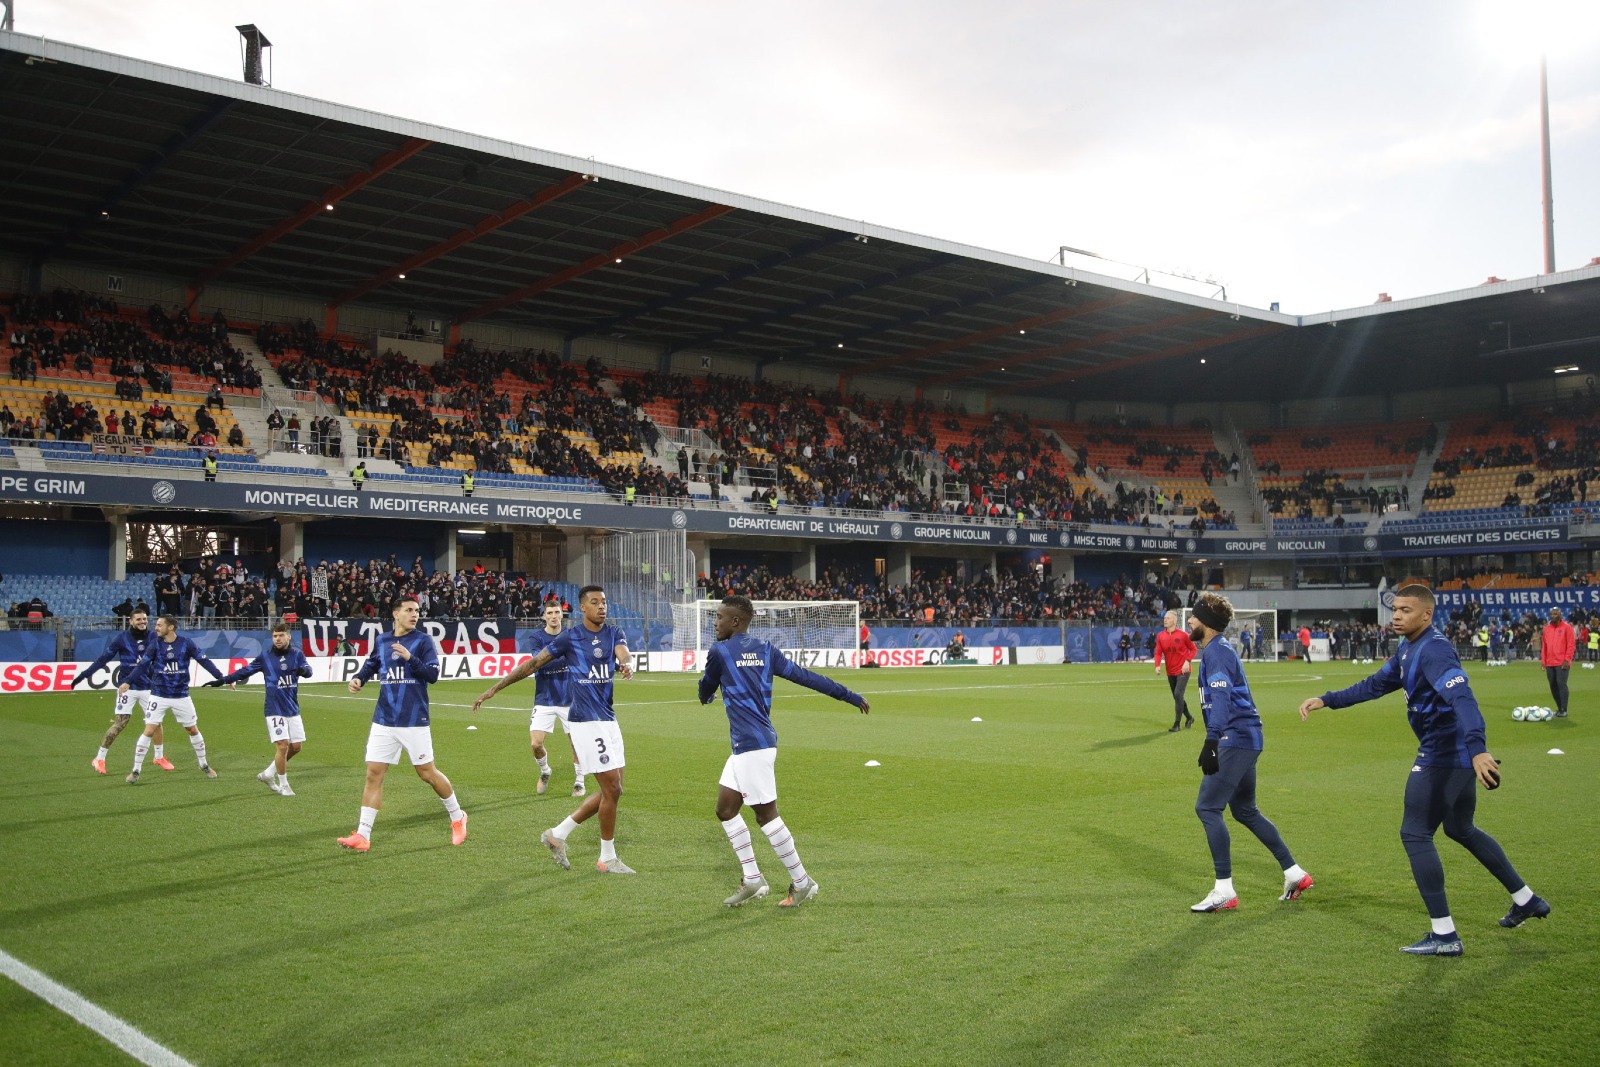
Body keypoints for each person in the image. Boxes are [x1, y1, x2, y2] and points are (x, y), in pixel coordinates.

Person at [1298, 584, 1549, 956]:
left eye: (1405, 610)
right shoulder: (1409, 647)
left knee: (1415, 834)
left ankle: (1445, 935)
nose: (1397, 615)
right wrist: (1327, 700)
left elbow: (1462, 697)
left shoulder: (1433, 650)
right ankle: (1526, 899)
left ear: (1427, 615)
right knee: (1461, 829)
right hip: (1455, 753)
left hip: (1443, 753)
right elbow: (1375, 685)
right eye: (1395, 609)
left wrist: (1478, 749)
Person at [700, 595, 870, 908]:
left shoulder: (719, 652)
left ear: (736, 621)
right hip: (752, 745)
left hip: (752, 748)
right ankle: (753, 879)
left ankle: (803, 882)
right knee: (725, 809)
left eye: (720, 617)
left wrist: (707, 695)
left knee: (766, 817)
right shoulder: (766, 651)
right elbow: (807, 677)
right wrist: (848, 695)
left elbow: (705, 688)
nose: (716, 622)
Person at [481, 585, 634, 874]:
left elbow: (623, 653)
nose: (602, 606)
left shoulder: (614, 632)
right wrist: (494, 688)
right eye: (594, 602)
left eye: (604, 601)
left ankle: (557, 834)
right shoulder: (571, 637)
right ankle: (607, 857)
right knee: (611, 788)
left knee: (614, 790)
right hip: (585, 720)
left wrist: (627, 664)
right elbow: (531, 665)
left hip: (608, 718)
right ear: (582, 609)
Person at [1188, 593, 1313, 913]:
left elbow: (1222, 697)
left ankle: (1224, 890)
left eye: (1194, 616)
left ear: (1207, 622)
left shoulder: (1216, 652)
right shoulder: (1217, 650)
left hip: (1235, 738)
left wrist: (1213, 740)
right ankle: (1294, 874)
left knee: (1207, 808)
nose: (1190, 620)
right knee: (1245, 811)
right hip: (1245, 737)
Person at [337, 597, 468, 851]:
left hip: (413, 719)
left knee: (426, 773)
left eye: (417, 611)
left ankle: (457, 816)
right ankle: (363, 835)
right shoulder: (383, 640)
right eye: (409, 610)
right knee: (374, 773)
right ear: (395, 614)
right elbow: (373, 663)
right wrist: (358, 679)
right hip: (384, 718)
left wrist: (410, 658)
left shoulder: (422, 641)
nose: (414, 614)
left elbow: (432, 675)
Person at [471, 602, 586, 797]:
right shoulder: (536, 637)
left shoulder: (572, 635)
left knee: (576, 742)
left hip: (570, 699)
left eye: (557, 612)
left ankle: (579, 781)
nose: (554, 616)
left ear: (562, 614)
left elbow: (550, 660)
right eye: (550, 613)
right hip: (544, 699)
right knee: (536, 744)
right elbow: (538, 664)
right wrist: (564, 657)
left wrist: (550, 658)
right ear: (544, 616)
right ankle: (545, 771)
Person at [206, 621, 313, 796]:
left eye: (281, 635)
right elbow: (245, 671)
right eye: (274, 636)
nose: (277, 639)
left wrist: (303, 671)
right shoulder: (265, 656)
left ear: (288, 636)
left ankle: (268, 774)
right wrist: (223, 680)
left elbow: (309, 671)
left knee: (296, 747)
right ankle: (284, 785)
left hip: (292, 707)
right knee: (283, 745)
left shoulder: (297, 655)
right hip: (274, 708)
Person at [119, 615, 226, 784]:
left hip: (181, 695)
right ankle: (136, 770)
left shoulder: (186, 643)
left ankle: (204, 764)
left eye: (160, 625)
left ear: (170, 627)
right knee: (149, 730)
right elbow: (142, 665)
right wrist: (127, 682)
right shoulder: (155, 644)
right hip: (158, 694)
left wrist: (222, 677)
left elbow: (204, 661)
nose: (156, 627)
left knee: (192, 729)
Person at [73, 609, 167, 775]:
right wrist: (84, 675)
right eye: (138, 619)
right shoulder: (122, 638)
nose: (142, 622)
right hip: (127, 687)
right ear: (131, 621)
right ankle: (99, 758)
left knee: (156, 723)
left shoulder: (154, 636)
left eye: (144, 619)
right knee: (120, 723)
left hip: (148, 688)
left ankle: (159, 757)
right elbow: (104, 659)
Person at [1153, 609, 1197, 732]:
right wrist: (1157, 665)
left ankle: (1176, 724)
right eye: (1164, 618)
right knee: (1178, 697)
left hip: (1184, 670)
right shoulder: (1161, 636)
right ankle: (1189, 717)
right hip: (1170, 671)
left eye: (1168, 618)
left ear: (1174, 621)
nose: (1165, 620)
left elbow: (1193, 650)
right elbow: (1158, 653)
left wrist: (1187, 661)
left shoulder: (1183, 635)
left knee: (1178, 694)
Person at [1540, 607, 1574, 718]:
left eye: (1555, 614)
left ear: (1560, 615)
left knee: (1561, 684)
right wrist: (1543, 661)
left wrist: (1567, 659)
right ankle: (1559, 708)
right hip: (1550, 662)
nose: (1553, 616)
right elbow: (1544, 646)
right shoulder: (1547, 629)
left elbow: (1571, 644)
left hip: (1562, 662)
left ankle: (1564, 709)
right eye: (1551, 614)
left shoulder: (1567, 628)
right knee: (1553, 685)